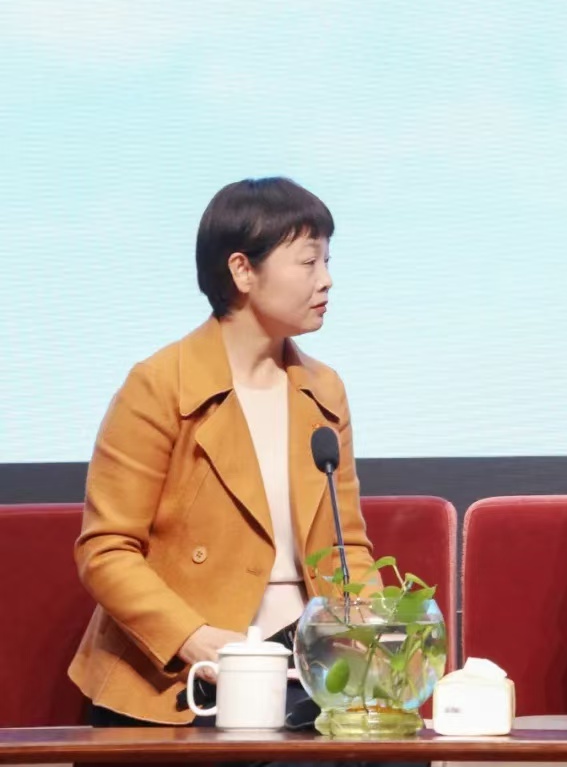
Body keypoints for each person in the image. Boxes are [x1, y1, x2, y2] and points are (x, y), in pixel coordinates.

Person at [67, 178, 400, 762]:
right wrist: (195, 640)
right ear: (243, 270)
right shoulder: (158, 386)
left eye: (328, 261)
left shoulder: (324, 390)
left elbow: (346, 547)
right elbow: (106, 550)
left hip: (304, 668)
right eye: (309, 262)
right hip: (181, 676)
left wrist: (374, 637)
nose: (326, 279)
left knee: (395, 750)